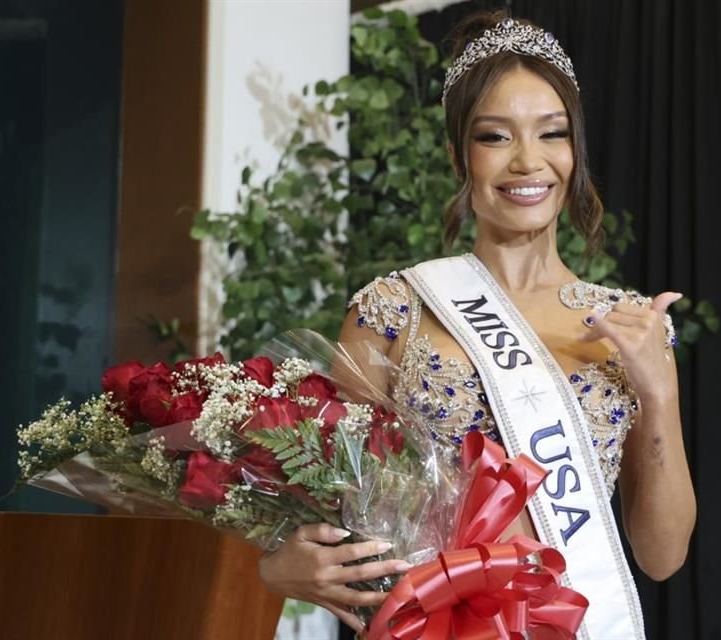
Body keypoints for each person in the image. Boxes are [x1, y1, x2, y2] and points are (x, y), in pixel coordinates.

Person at [258, 10, 696, 638]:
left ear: (575, 149)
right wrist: (280, 567)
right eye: (496, 136)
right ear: (458, 156)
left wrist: (658, 390)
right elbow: (332, 502)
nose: (528, 162)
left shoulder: (629, 324)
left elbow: (663, 555)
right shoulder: (396, 310)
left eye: (552, 134)